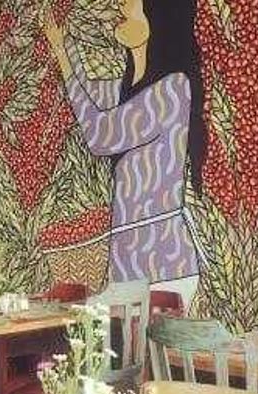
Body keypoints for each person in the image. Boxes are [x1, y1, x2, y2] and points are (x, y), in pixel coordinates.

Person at [44, 0, 206, 292]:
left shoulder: (172, 88)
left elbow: (99, 134)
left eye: (131, 3)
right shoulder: (127, 88)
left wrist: (65, 56)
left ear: (158, 17)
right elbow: (88, 95)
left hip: (165, 267)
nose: (120, 6)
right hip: (127, 266)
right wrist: (63, 48)